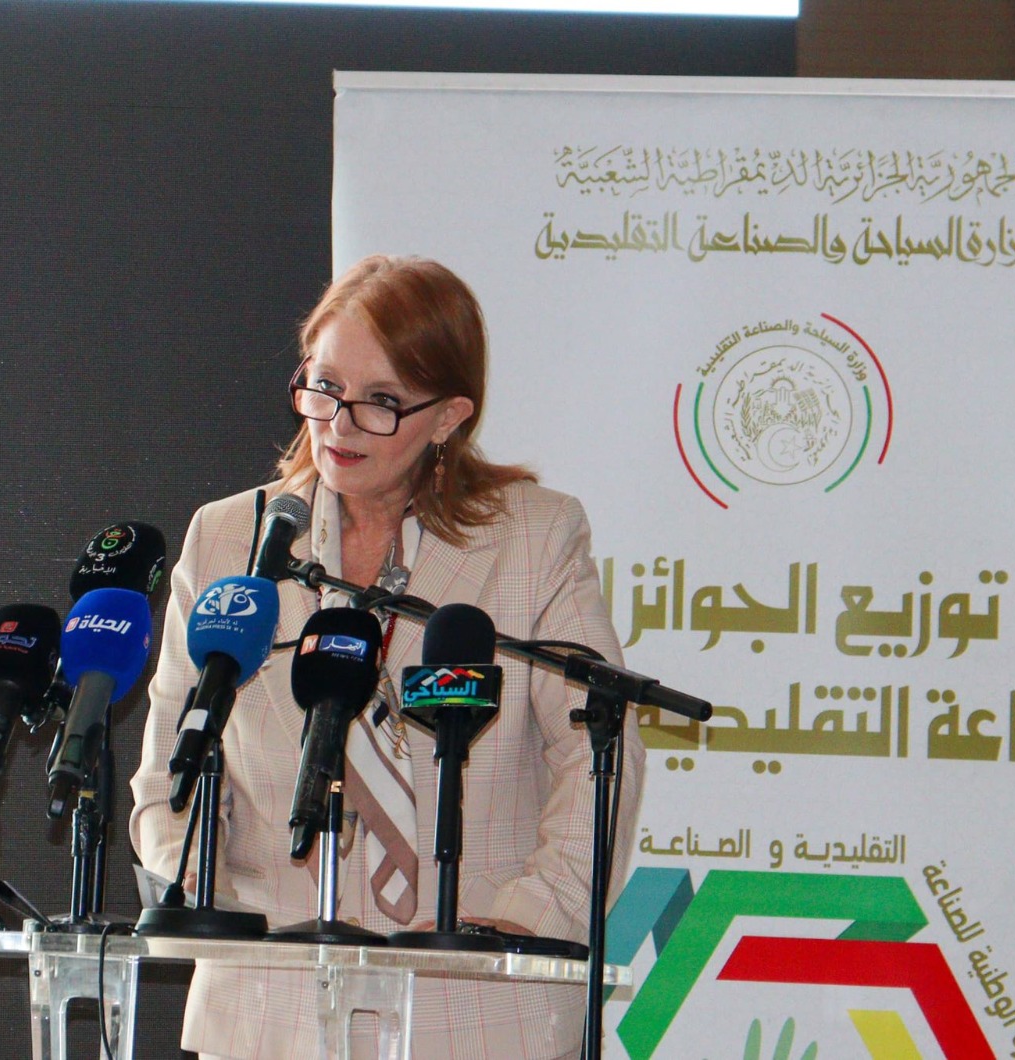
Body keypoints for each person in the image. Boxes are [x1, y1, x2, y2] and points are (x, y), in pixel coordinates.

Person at [129, 255, 645, 1059]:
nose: (338, 425)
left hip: (476, 1003)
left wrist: (528, 923)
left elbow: (597, 757)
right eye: (324, 386)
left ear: (448, 417)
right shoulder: (230, 539)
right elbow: (171, 763)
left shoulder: (533, 539)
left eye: (381, 402)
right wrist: (201, 886)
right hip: (268, 1008)